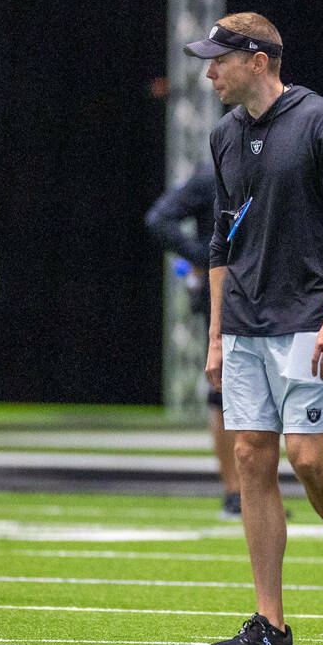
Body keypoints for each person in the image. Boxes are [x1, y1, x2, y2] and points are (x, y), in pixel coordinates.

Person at [184, 12, 323, 645]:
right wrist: (215, 334)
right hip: (244, 320)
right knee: (251, 456)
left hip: (307, 316)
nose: (209, 71)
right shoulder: (222, 135)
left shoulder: (322, 120)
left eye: (219, 58)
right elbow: (222, 238)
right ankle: (270, 624)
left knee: (307, 456)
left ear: (259, 59)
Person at [144, 164, 242, 519]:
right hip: (224, 296)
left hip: (268, 293)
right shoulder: (212, 175)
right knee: (224, 392)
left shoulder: (273, 167)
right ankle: (235, 492)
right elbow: (159, 218)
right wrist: (203, 255)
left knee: (259, 395)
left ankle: (254, 491)